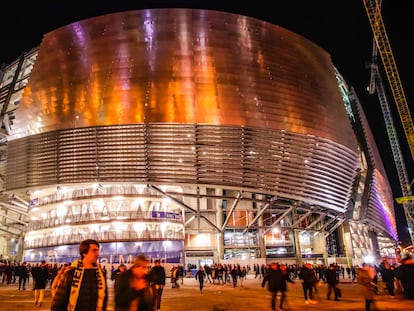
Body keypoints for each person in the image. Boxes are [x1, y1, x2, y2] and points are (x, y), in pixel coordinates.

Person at [51, 239, 108, 311]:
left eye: (98, 250)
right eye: (94, 251)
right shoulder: (70, 273)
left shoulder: (101, 274)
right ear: (84, 253)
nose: (97, 254)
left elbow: (104, 300)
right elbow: (58, 301)